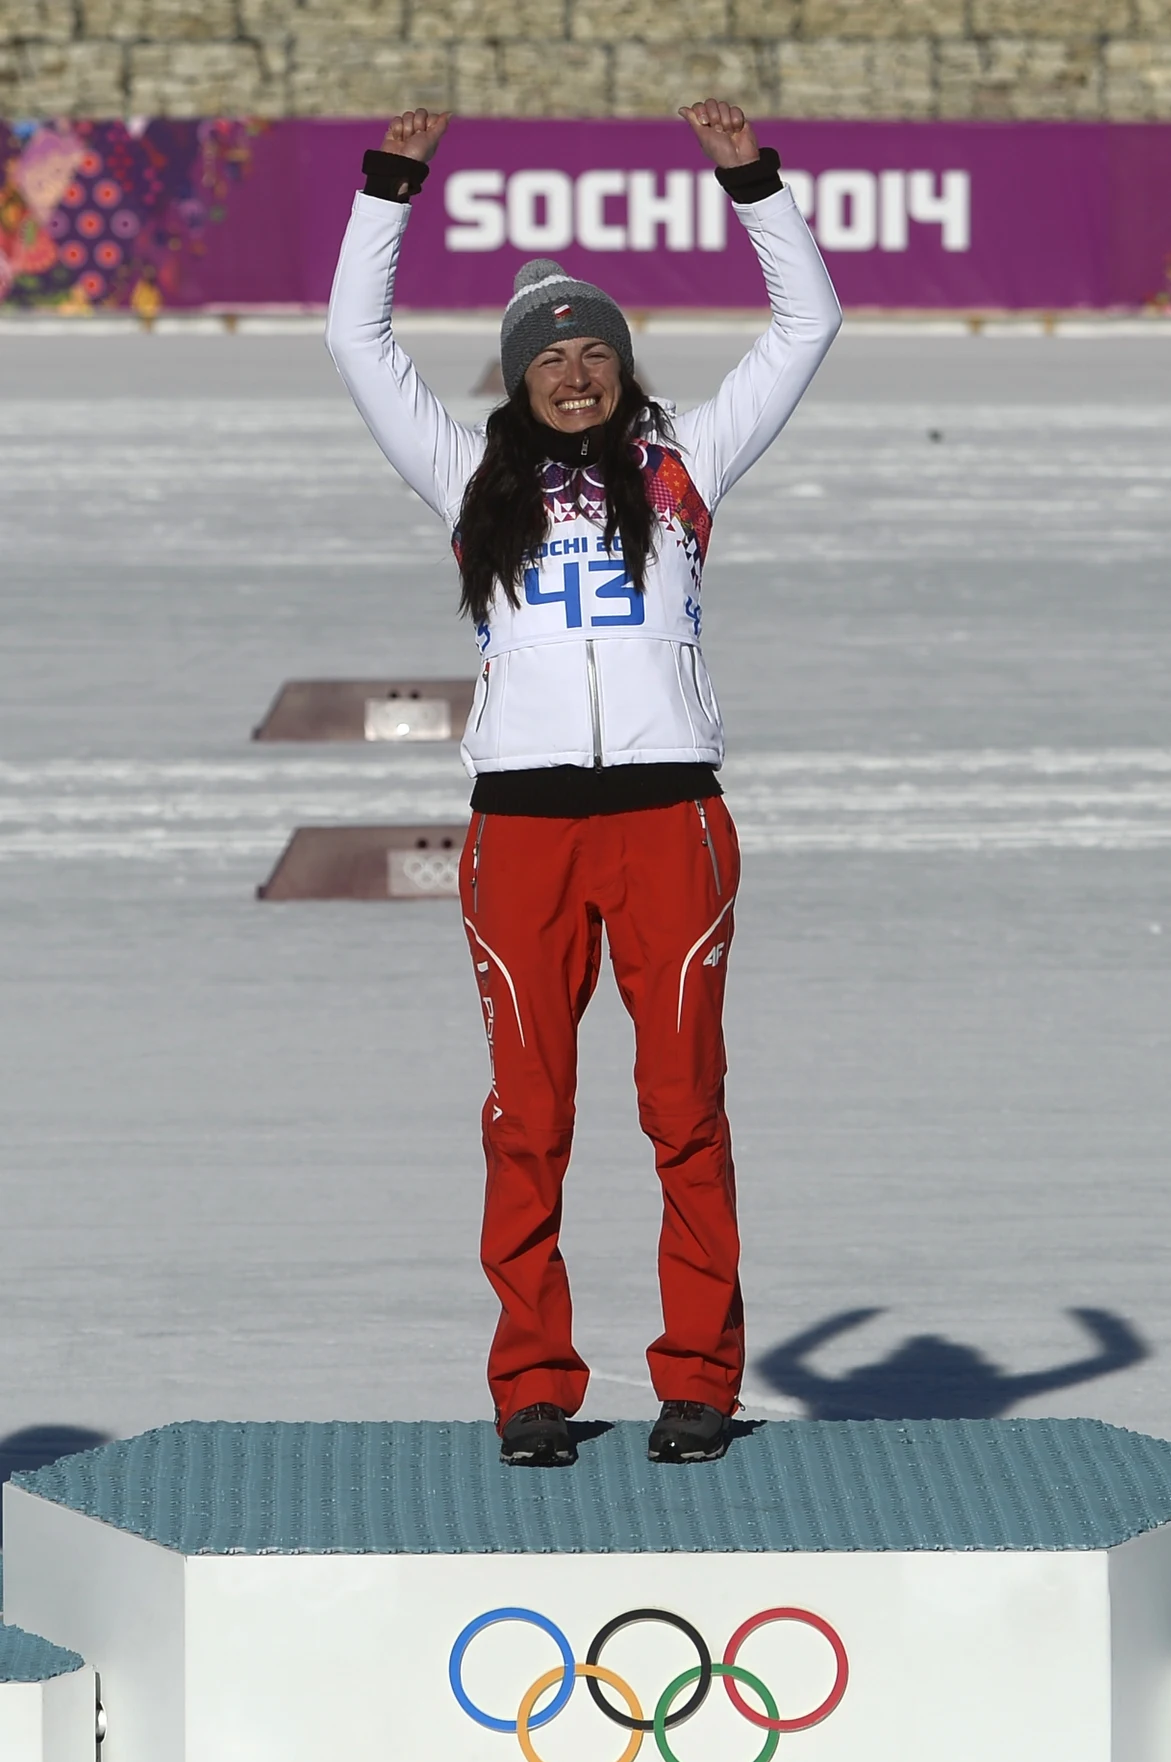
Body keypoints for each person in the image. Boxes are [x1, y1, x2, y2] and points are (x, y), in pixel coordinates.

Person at [327, 101, 840, 1468]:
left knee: (684, 1105)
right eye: (548, 357)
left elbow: (806, 328)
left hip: (673, 822)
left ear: (622, 369)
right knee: (530, 1115)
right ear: (516, 378)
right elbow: (354, 345)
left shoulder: (686, 460)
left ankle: (697, 1377)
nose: (573, 374)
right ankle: (536, 1384)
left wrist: (751, 185)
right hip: (525, 834)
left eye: (593, 353)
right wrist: (394, 185)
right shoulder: (465, 475)